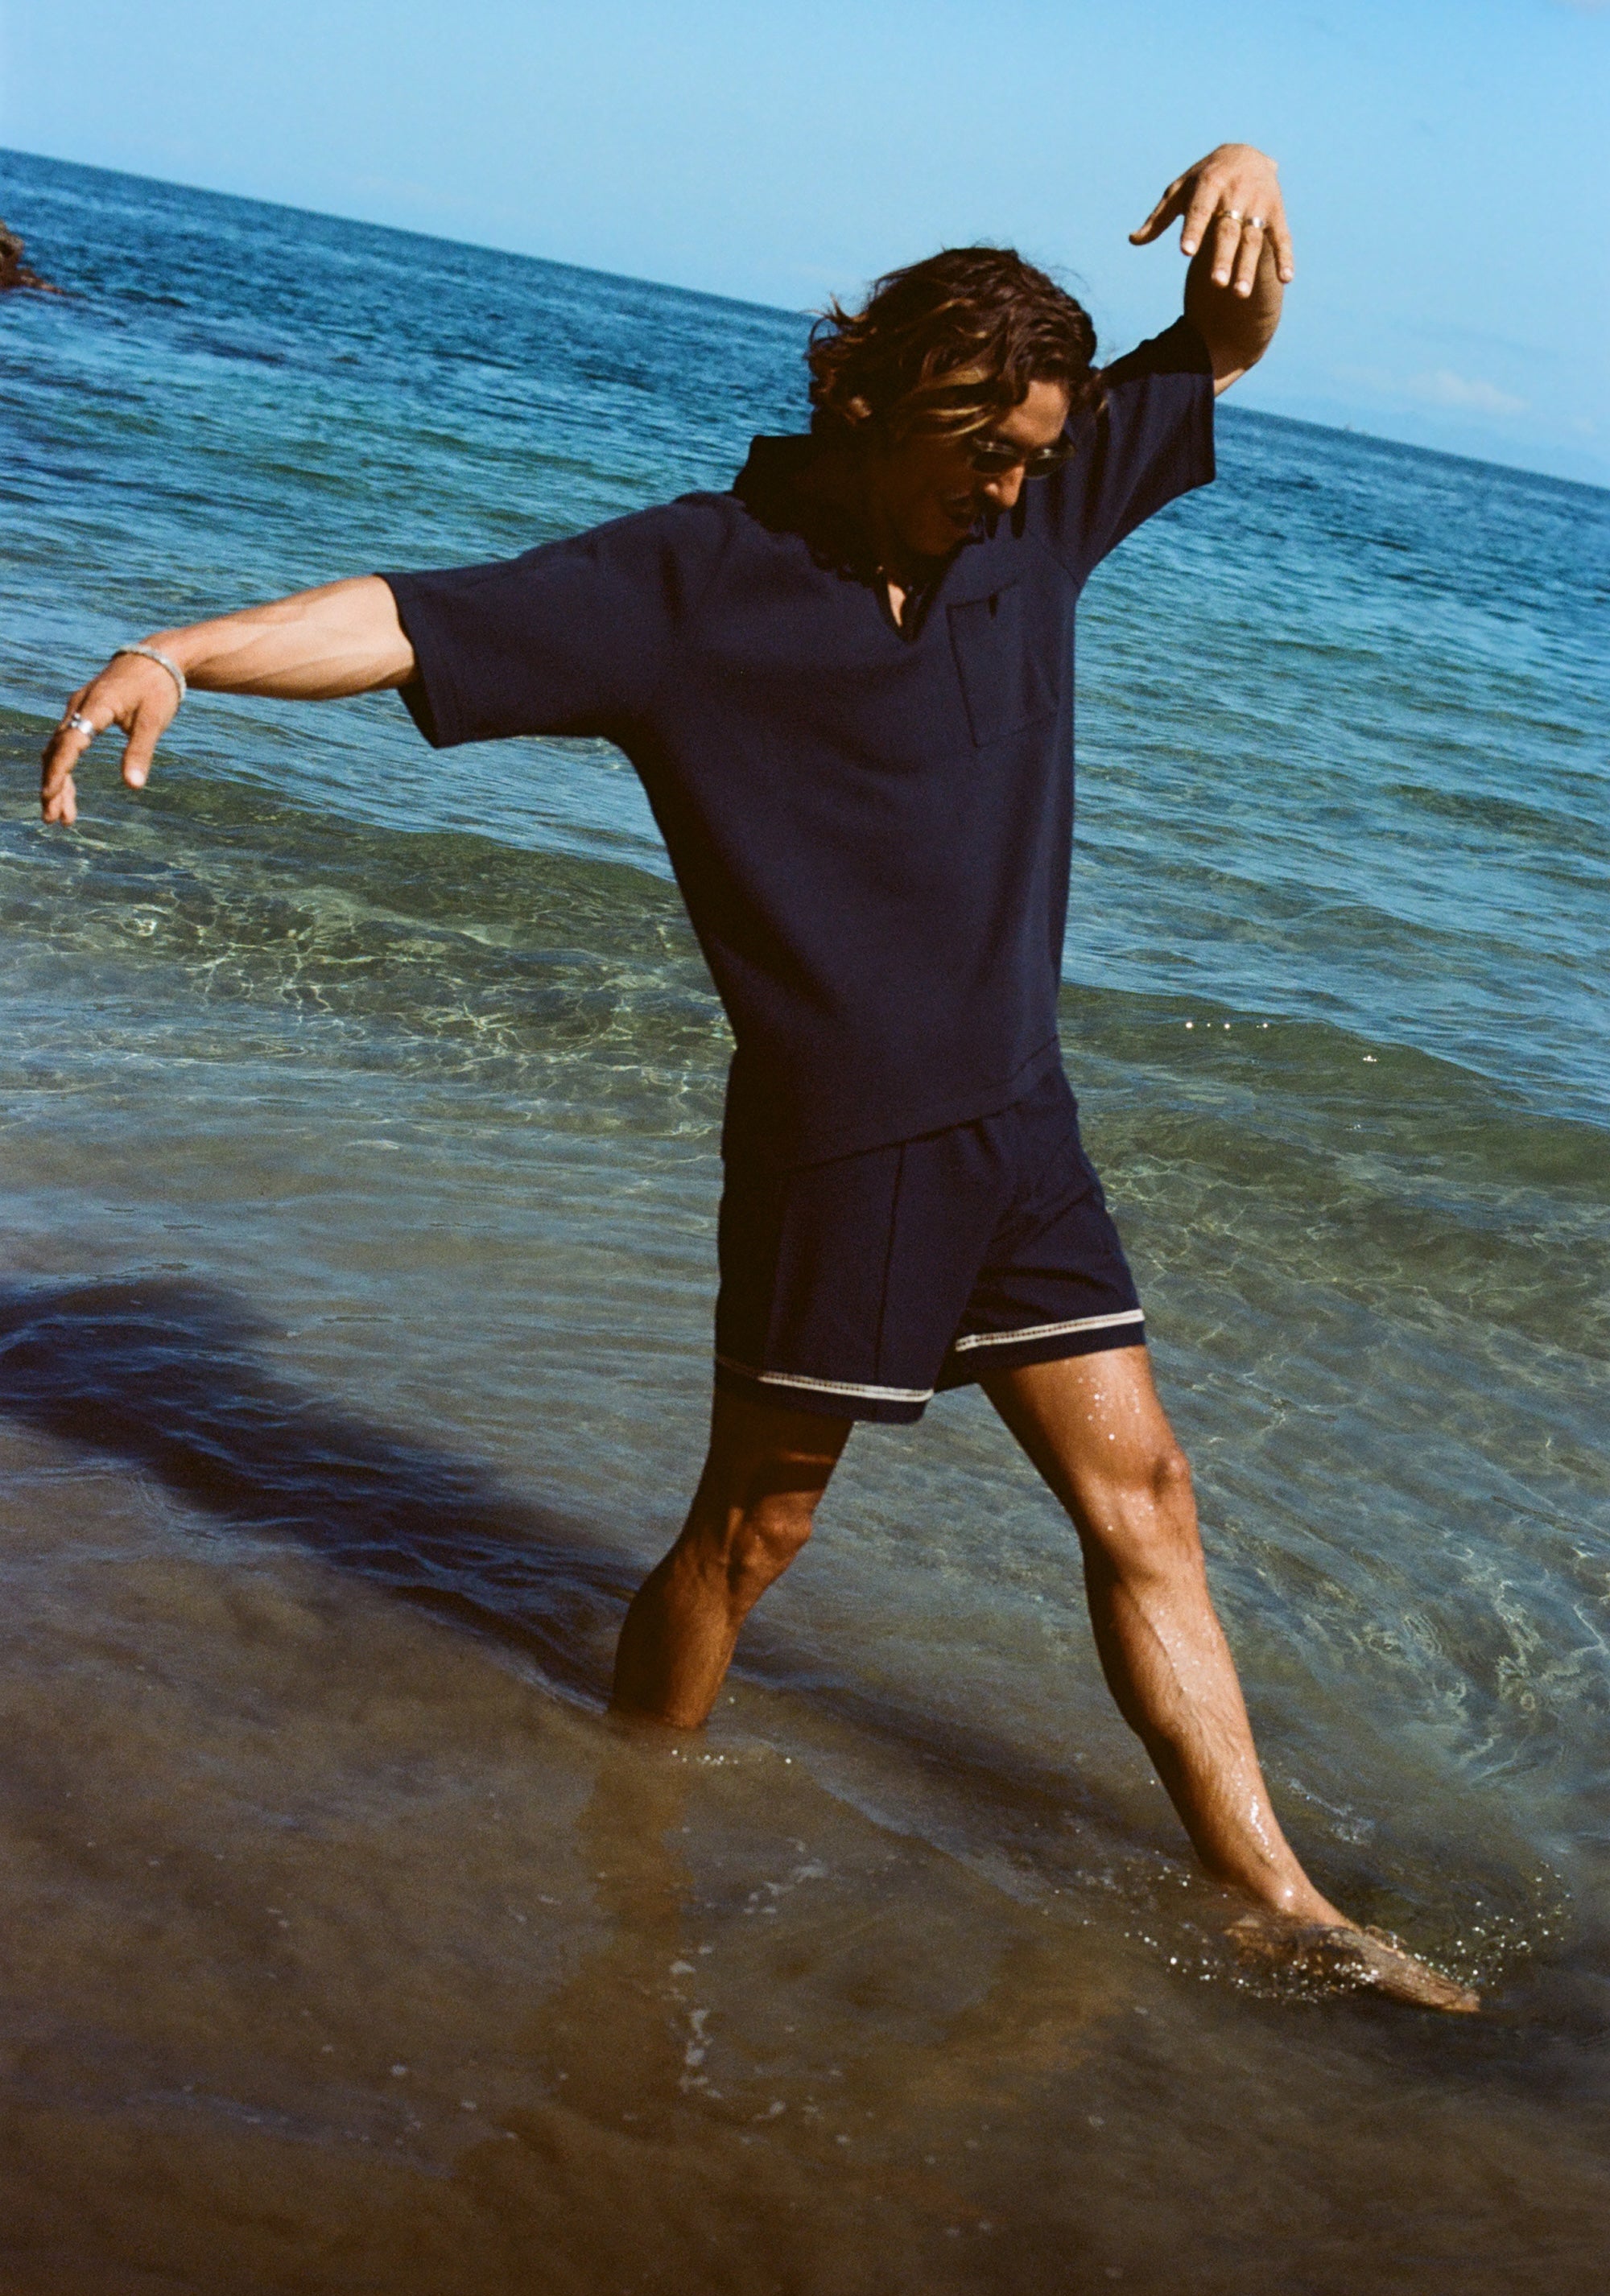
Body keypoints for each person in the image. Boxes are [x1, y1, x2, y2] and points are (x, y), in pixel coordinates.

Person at [39, 145, 1477, 2011]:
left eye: (1036, 451)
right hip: (843, 1148)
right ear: (861, 394)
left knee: (1150, 1498)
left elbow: (1220, 337)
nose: (1014, 481)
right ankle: (628, 1803)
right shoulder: (690, 583)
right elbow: (414, 615)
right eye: (984, 446)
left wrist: (1256, 180)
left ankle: (1268, 1895)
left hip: (1020, 1128)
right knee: (752, 1528)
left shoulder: (1030, 519)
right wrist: (182, 651)